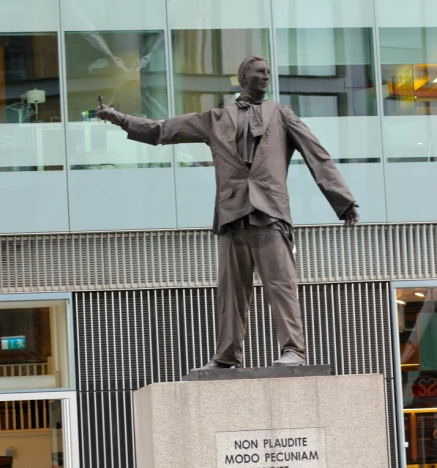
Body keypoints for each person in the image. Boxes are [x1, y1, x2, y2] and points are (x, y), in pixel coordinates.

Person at [97, 55, 359, 371]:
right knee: (231, 294)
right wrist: (121, 119)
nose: (266, 77)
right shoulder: (216, 118)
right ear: (242, 76)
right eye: (259, 72)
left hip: (270, 213)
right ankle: (227, 356)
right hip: (233, 213)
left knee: (281, 285)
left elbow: (319, 157)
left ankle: (293, 350)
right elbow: (163, 130)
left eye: (268, 73)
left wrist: (343, 202)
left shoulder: (282, 114)